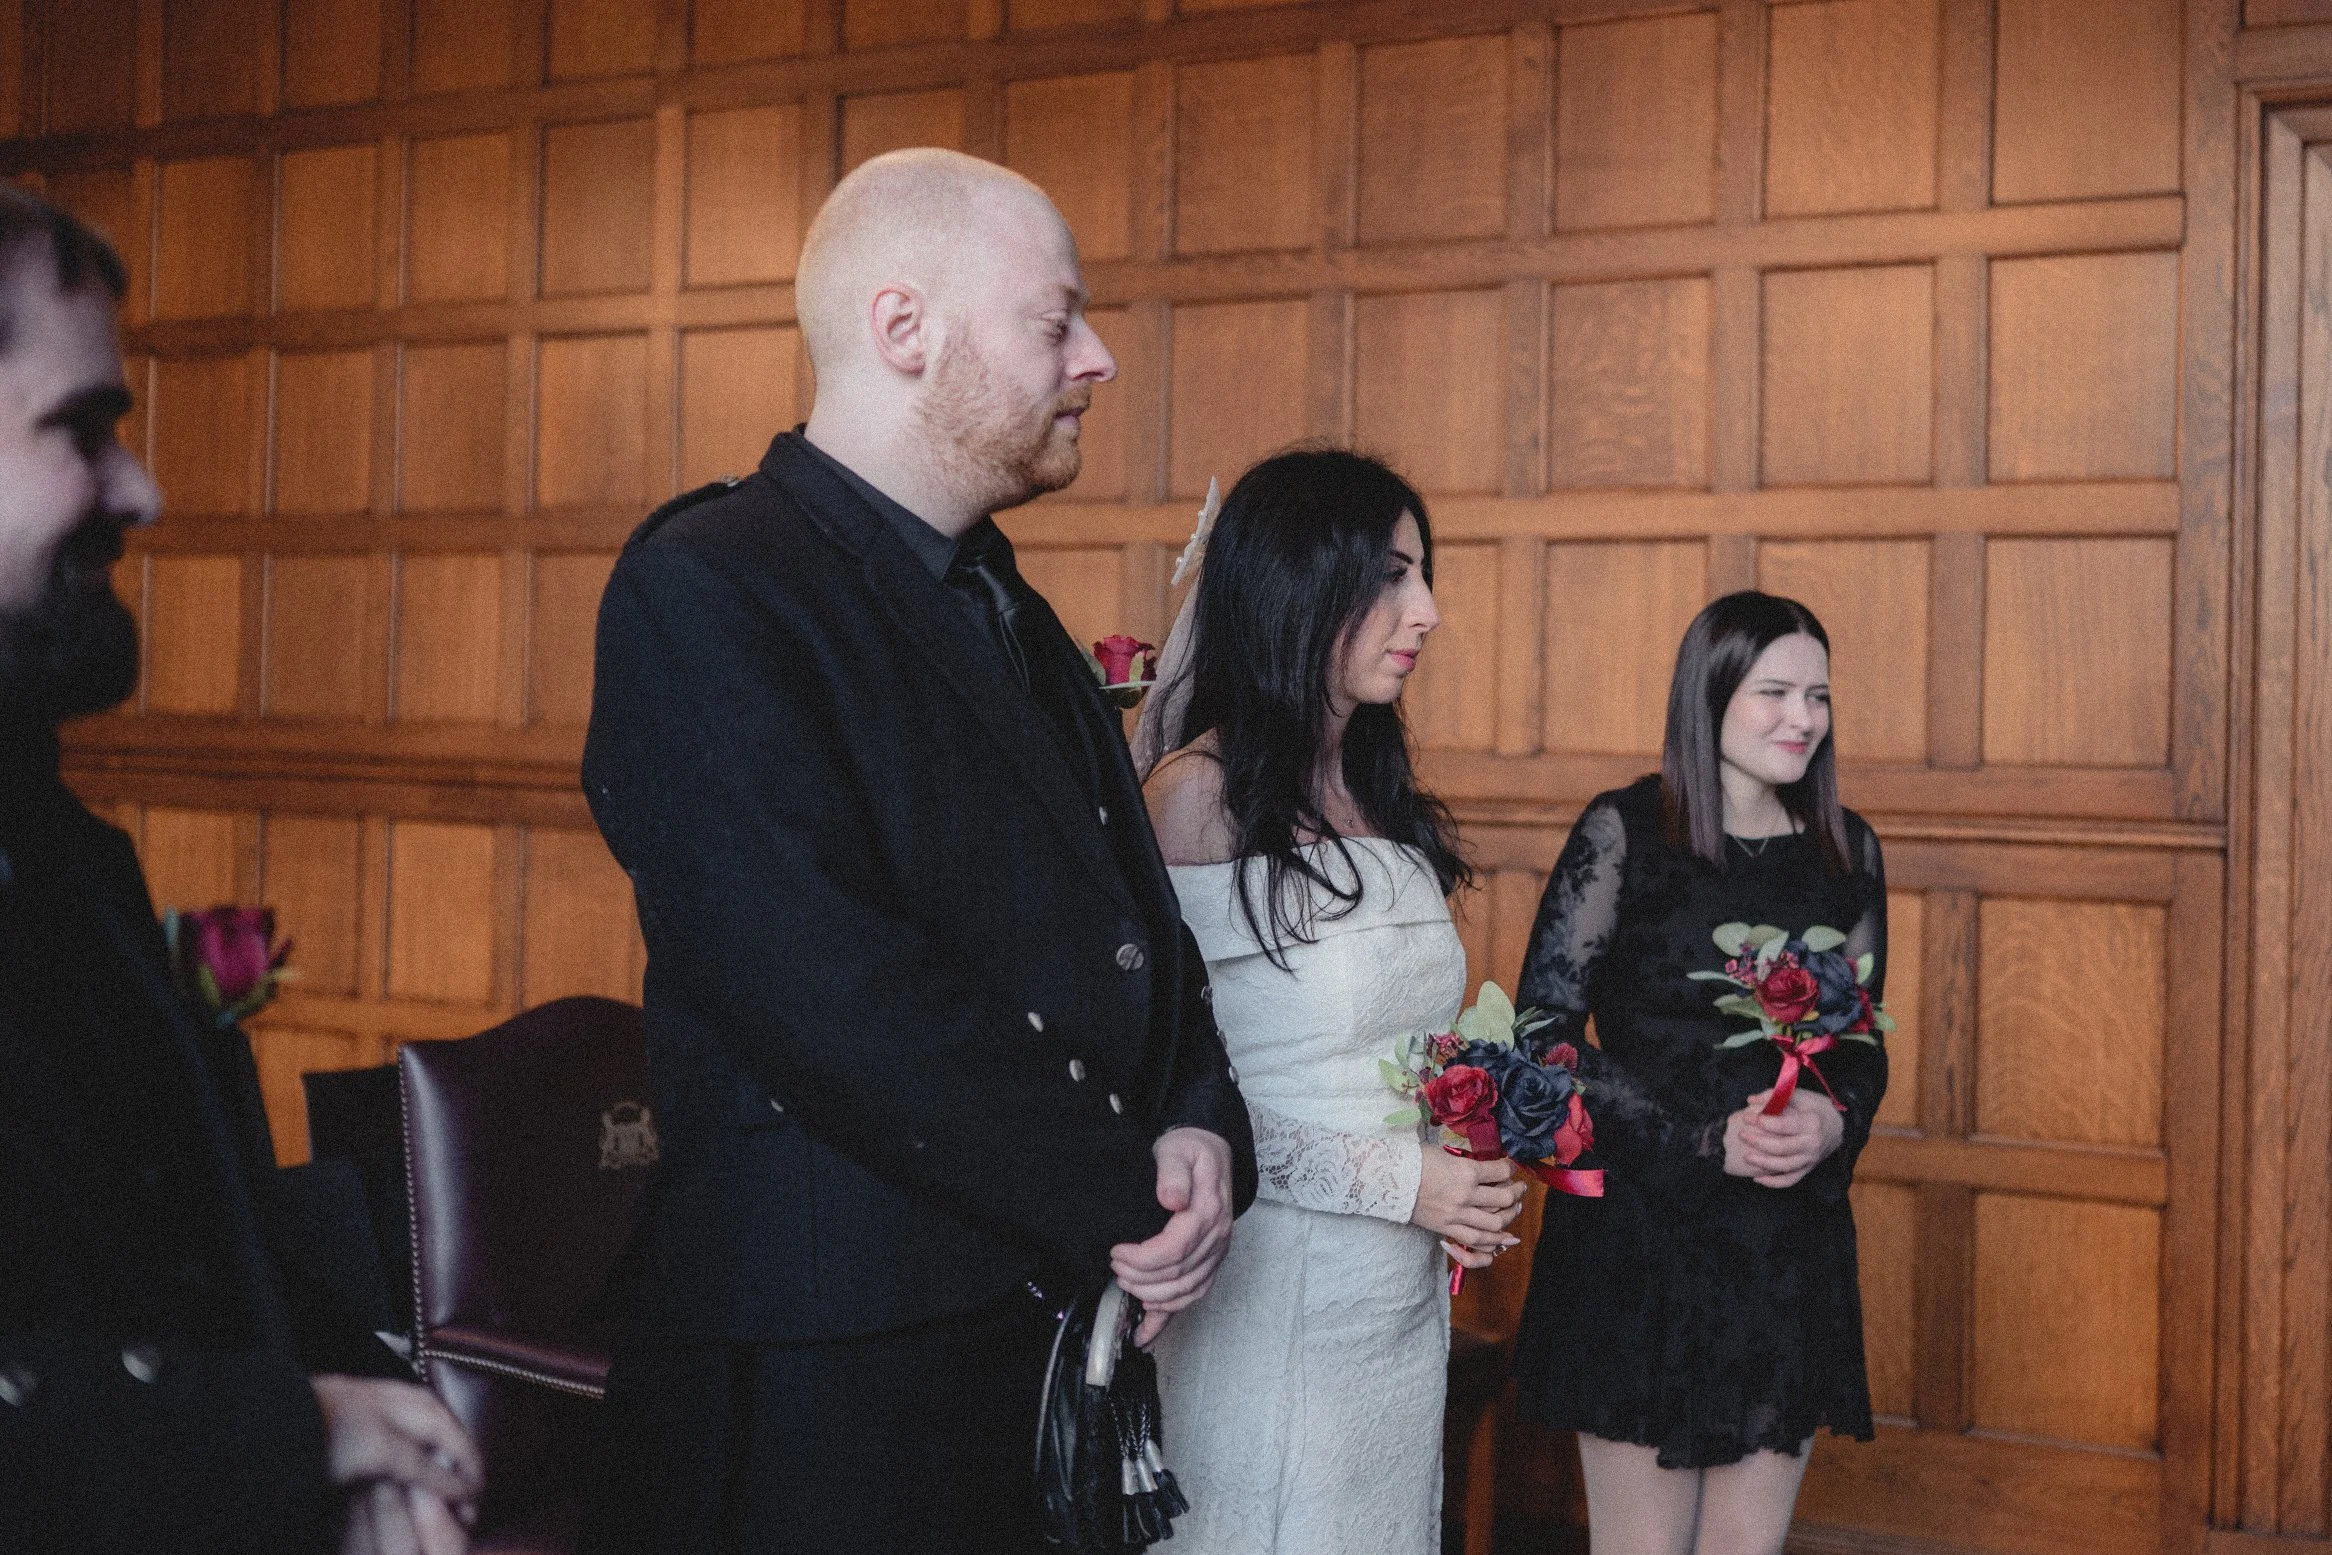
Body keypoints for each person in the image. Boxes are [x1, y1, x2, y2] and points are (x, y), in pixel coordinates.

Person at [579, 148, 1257, 1555]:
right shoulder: (705, 585)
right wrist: (1123, 1179)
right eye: (1054, 319)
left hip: (1023, 1331)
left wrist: (1202, 1114)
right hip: (827, 1372)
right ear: (904, 331)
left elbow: (1137, 919)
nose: (1099, 357)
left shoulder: (1004, 600)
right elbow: (824, 980)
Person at [0, 186, 483, 1554]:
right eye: (80, 430)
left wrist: (374, 1421)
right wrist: (295, 1432)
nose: (142, 488)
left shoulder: (61, 849)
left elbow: (195, 1252)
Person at [1136, 448, 1524, 1553]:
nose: (1428, 612)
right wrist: (1405, 1179)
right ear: (1298, 587)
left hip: (1391, 1299)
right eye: (1392, 577)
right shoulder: (1194, 798)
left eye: (1423, 576)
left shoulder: (1375, 788)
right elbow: (1172, 1085)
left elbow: (1389, 1045)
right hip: (1265, 1288)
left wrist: (1471, 1140)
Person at [1508, 590, 1888, 1555]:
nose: (1803, 718)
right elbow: (1542, 1032)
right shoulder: (1626, 829)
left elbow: (1861, 1041)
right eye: (1775, 692)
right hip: (1638, 1241)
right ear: (1708, 695)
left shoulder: (1849, 846)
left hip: (1783, 1248)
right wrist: (1700, 1140)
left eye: (1818, 695)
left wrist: (1835, 1121)